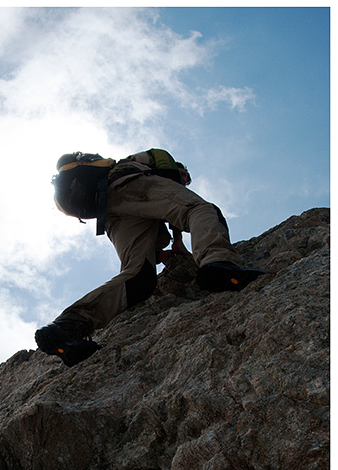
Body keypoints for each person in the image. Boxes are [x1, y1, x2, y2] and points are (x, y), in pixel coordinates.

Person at [35, 149, 264, 367]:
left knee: (138, 277)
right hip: (131, 185)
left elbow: (153, 221)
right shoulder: (156, 160)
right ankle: (219, 263)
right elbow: (179, 200)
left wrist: (162, 252)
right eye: (186, 176)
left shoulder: (108, 180)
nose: (186, 180)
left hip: (111, 212)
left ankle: (66, 328)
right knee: (201, 209)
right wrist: (178, 238)